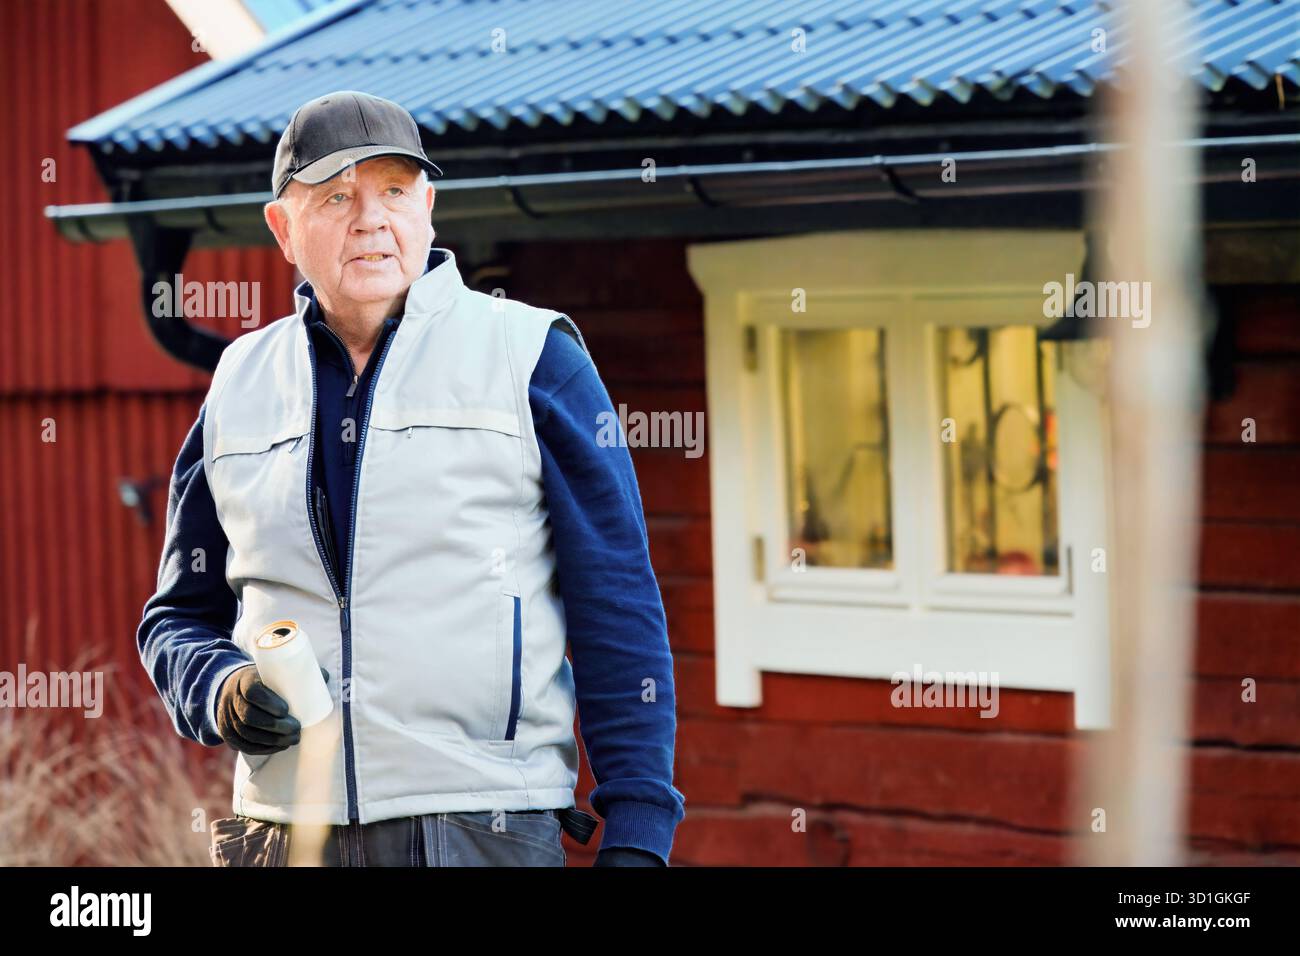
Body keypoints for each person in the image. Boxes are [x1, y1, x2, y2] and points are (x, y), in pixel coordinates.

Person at [136, 91, 684, 867]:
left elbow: (618, 606)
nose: (371, 219)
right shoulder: (238, 383)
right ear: (282, 229)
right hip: (282, 835)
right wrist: (218, 688)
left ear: (427, 207)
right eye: (336, 197)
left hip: (483, 828)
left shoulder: (530, 355)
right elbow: (176, 618)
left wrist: (638, 831)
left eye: (394, 190)